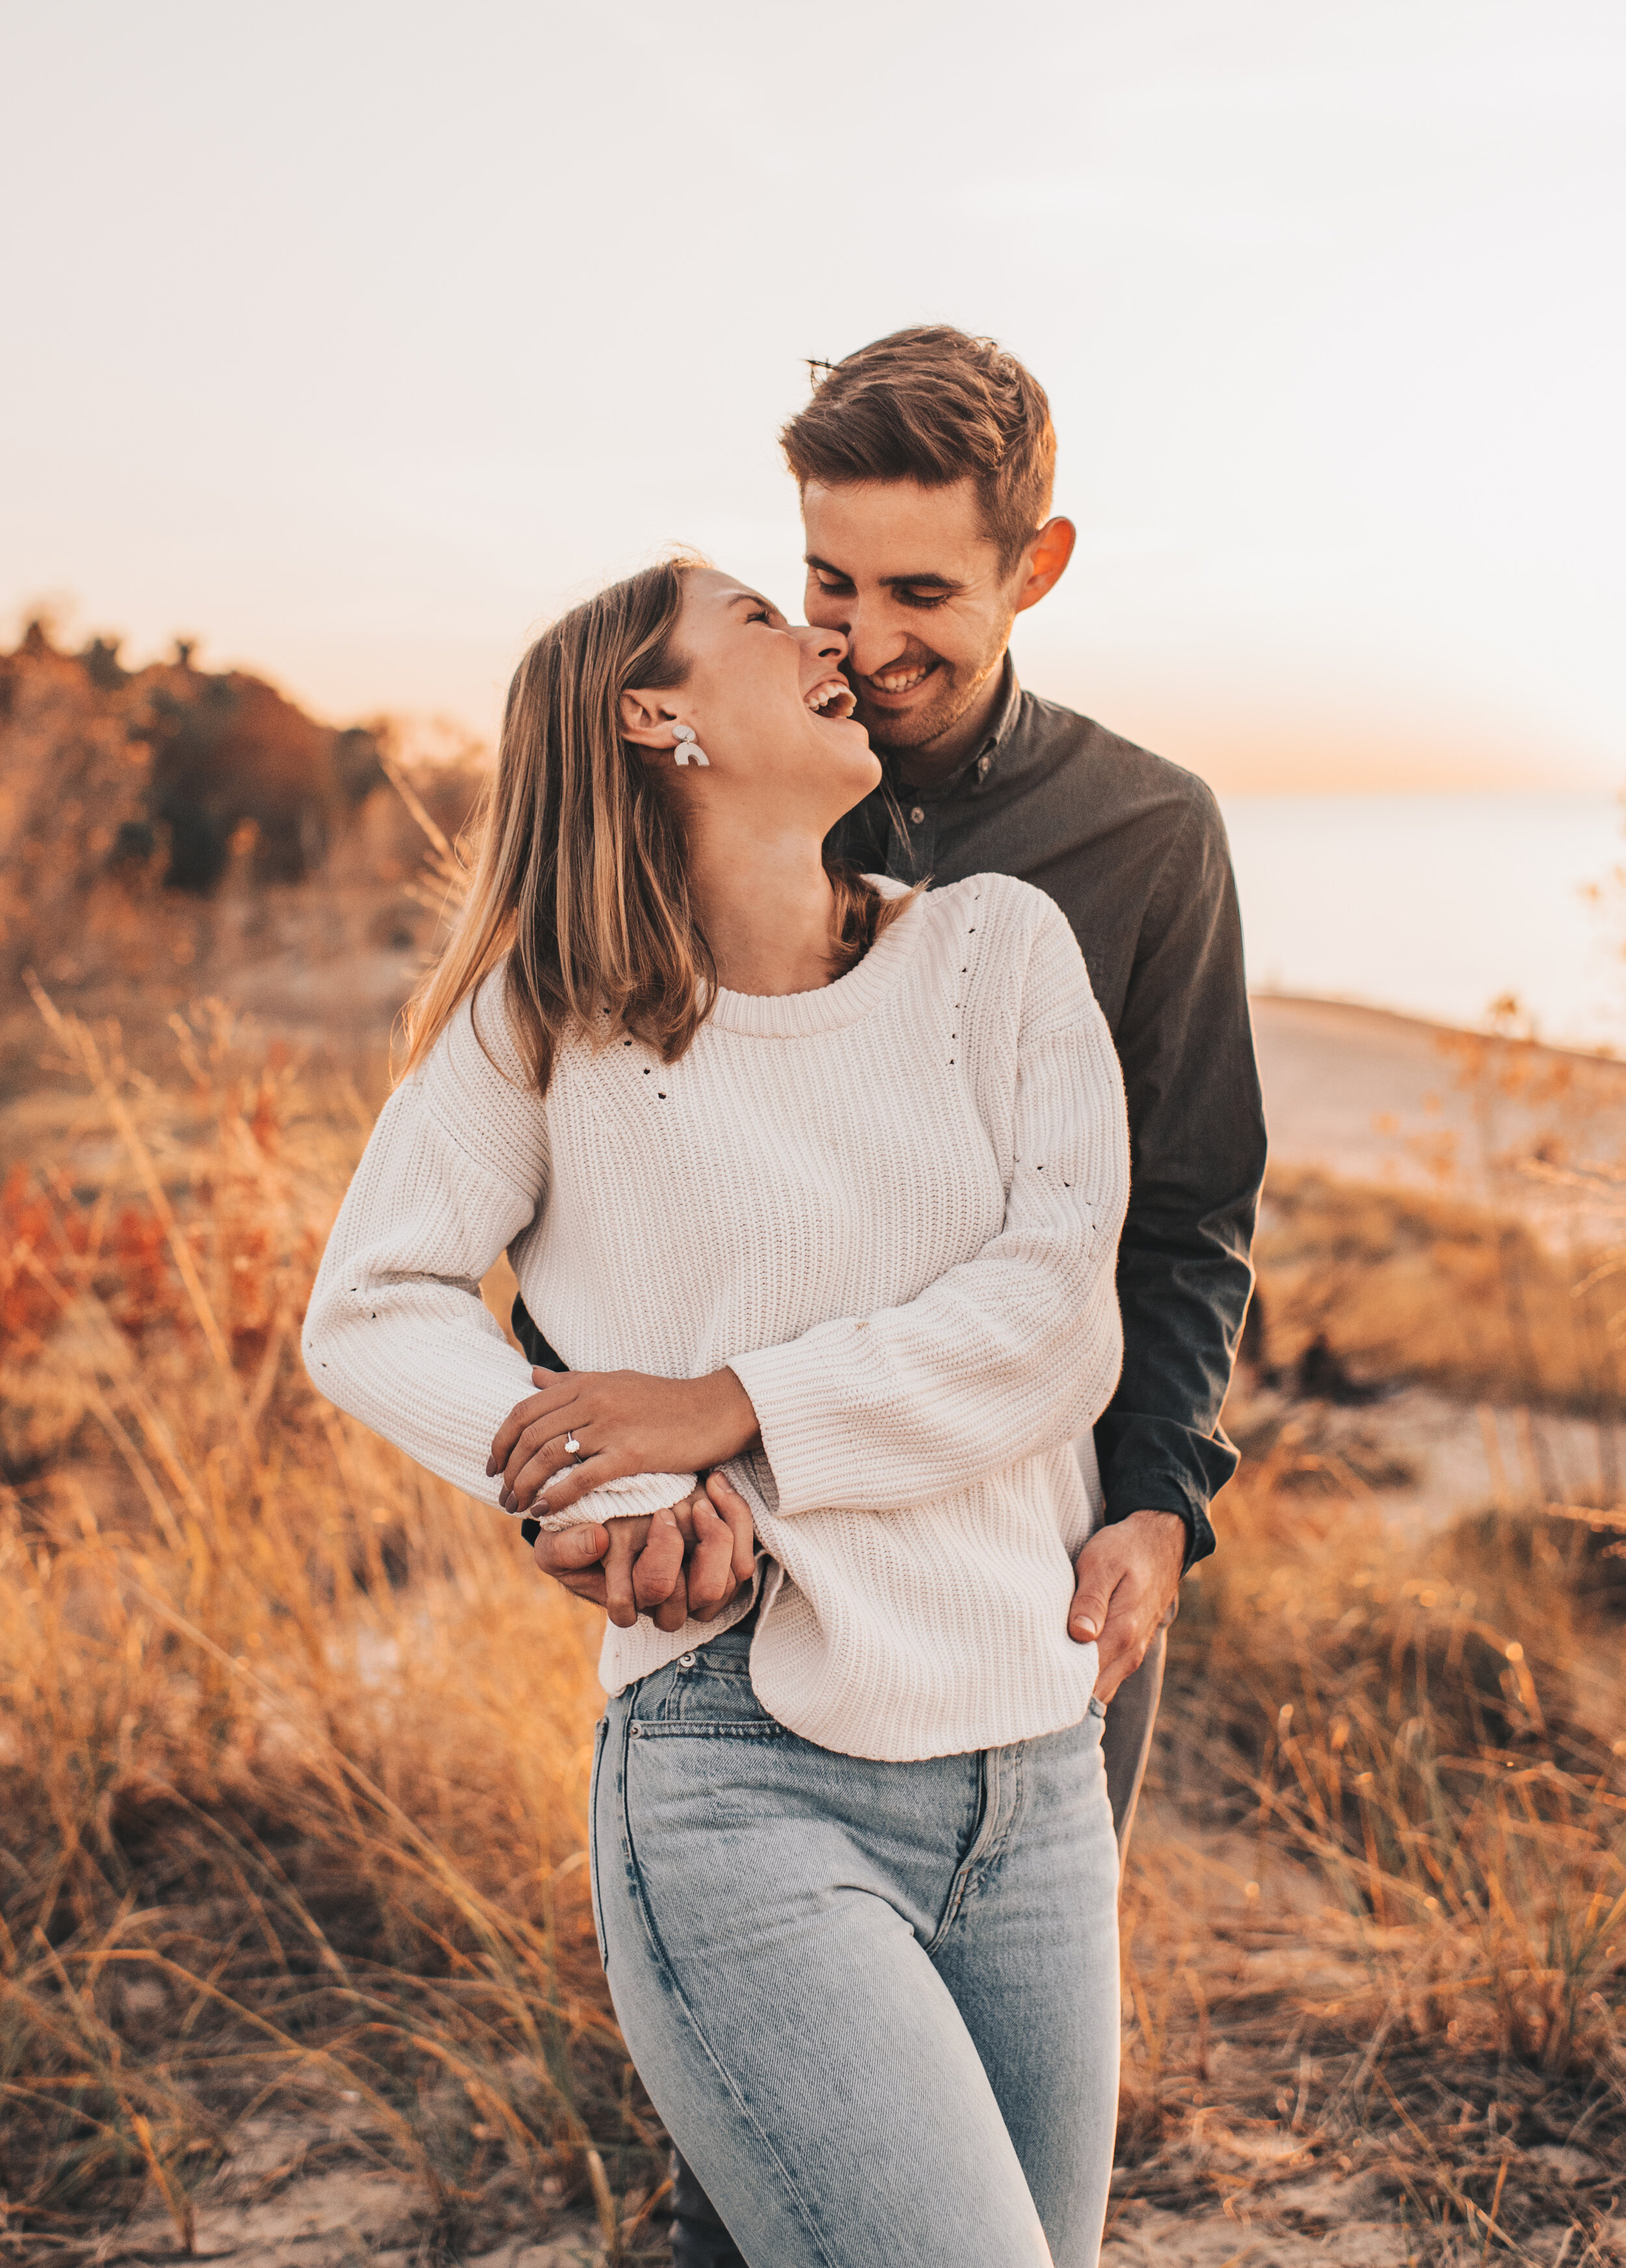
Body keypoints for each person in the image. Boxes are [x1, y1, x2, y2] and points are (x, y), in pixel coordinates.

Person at [516, 328, 1267, 2268]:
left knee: (1011, 2198)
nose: (858, 637)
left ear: (1041, 565)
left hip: (1040, 1577)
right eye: (826, 580)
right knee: (768, 2160)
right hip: (741, 1585)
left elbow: (1181, 1220)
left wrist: (1163, 1500)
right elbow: (558, 1190)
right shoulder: (709, 789)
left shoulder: (1145, 843)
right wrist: (601, 1494)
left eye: (921, 591)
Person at [304, 550, 1134, 2265]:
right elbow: (371, 1303)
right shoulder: (544, 1013)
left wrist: (724, 1411)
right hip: (739, 1777)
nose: (825, 636)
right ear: (652, 714)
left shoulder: (995, 953)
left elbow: (1056, 1316)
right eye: (763, 617)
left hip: (1037, 1775)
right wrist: (601, 1504)